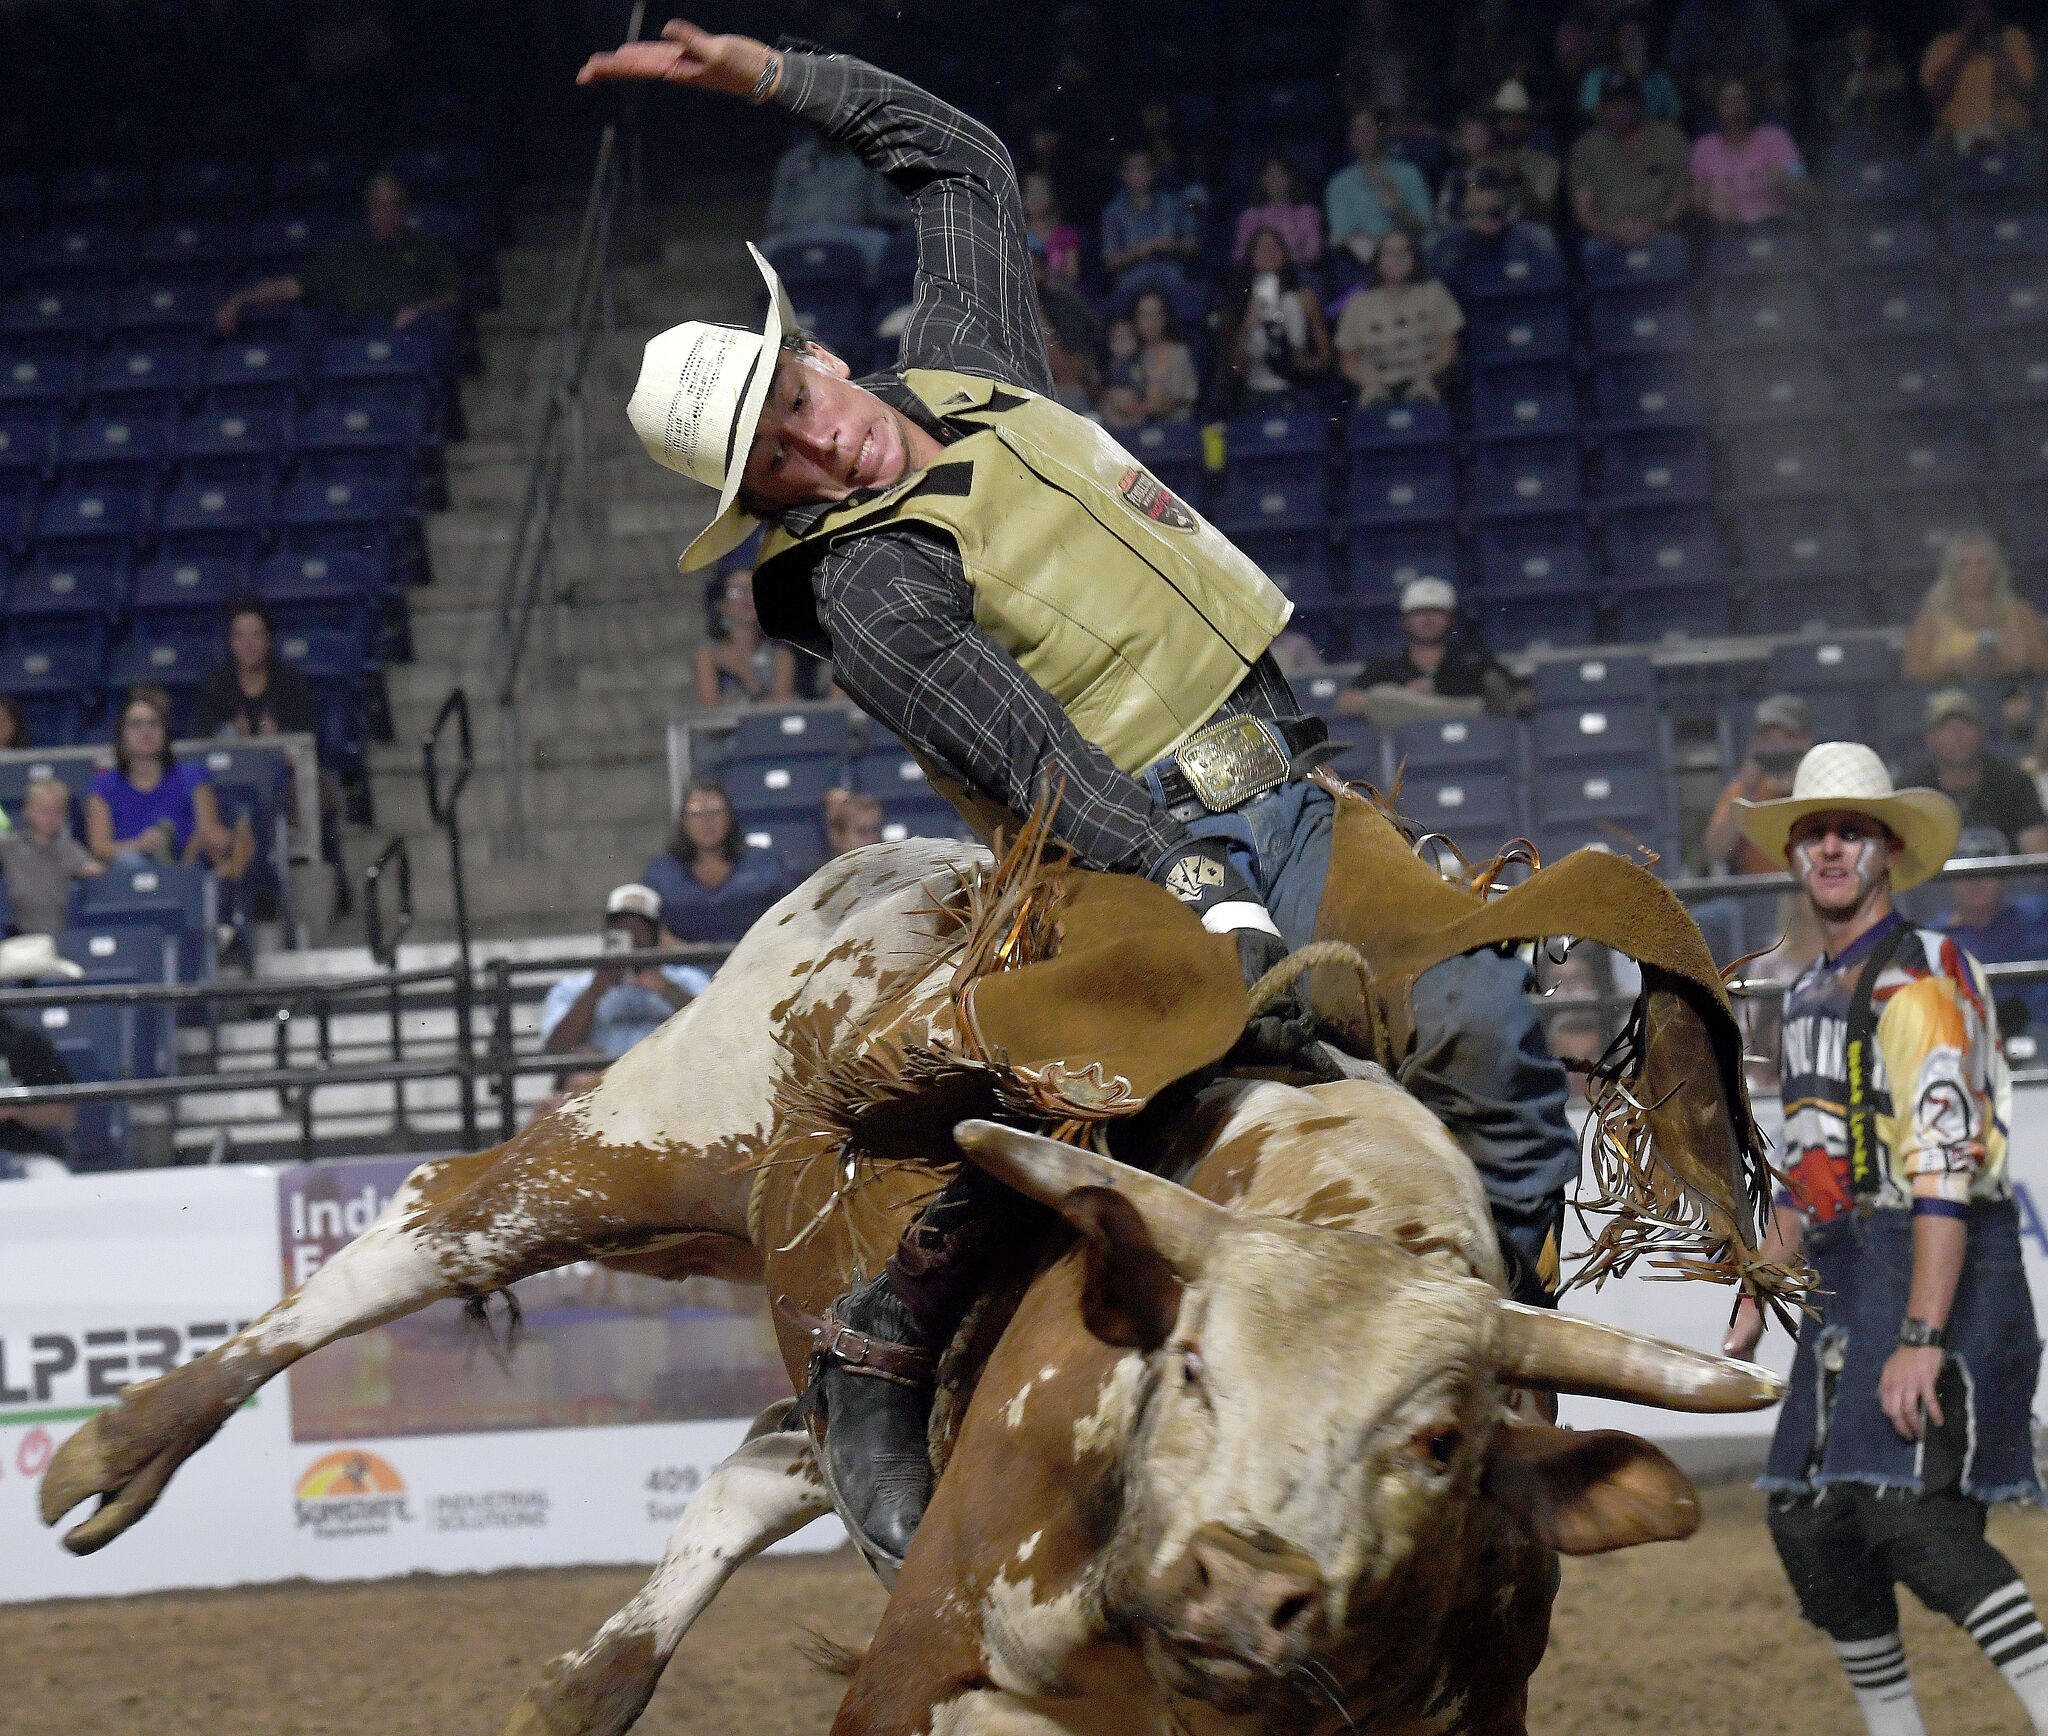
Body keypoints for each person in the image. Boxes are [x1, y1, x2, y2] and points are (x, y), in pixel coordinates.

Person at [584, 20, 1584, 1568]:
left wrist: (775, 80)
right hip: (1119, 852)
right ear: (762, 502)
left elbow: (959, 162)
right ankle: (890, 1327)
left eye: (793, 397)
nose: (814, 442)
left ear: (820, 352)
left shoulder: (976, 378)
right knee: (1172, 1050)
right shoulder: (864, 581)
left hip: (1293, 787)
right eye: (773, 457)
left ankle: (1464, 1368)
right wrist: (1192, 879)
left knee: (1497, 1039)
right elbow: (1032, 758)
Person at [1725, 742, 2048, 1736]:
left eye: (1848, 830)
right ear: (1793, 855)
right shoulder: (1809, 992)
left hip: (1935, 1268)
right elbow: (1807, 1158)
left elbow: (1940, 1175)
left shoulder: (1918, 986)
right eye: (1812, 830)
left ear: (1886, 851)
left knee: (1903, 1512)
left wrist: (1917, 1333)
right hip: (1852, 1269)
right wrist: (1759, 1277)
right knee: (1809, 1520)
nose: (1826, 846)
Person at [191, 597, 346, 914]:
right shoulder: (216, 686)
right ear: (230, 643)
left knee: (317, 788)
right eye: (240, 636)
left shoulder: (291, 684)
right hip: (231, 788)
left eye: (257, 634)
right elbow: (204, 748)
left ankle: (328, 884)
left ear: (269, 640)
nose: (249, 644)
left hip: (286, 783)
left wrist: (276, 746)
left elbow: (307, 745)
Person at [214, 173, 461, 342]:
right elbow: (292, 286)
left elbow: (452, 294)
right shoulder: (346, 249)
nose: (387, 213)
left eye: (394, 205)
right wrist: (239, 300)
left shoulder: (425, 246)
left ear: (404, 210)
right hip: (355, 328)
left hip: (408, 327)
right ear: (369, 211)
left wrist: (418, 309)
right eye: (379, 206)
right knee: (306, 321)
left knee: (439, 325)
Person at [85, 687, 246, 876]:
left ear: (165, 731)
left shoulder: (192, 780)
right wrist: (139, 845)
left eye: (153, 723)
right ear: (122, 734)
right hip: (127, 882)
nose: (145, 731)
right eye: (136, 724)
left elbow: (209, 837)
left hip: (186, 874)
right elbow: (99, 848)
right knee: (129, 861)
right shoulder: (103, 788)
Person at [540, 883, 710, 1060]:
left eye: (640, 929)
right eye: (622, 928)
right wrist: (594, 992)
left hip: (669, 1077)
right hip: (601, 1080)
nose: (632, 936)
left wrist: (669, 991)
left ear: (656, 934)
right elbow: (556, 1048)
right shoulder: (574, 987)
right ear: (608, 932)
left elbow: (715, 1029)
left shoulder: (687, 980)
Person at [1338, 577, 1526, 726]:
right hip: (1407, 747)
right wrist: (1407, 697)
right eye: (1419, 613)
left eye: (1436, 612)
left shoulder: (1472, 657)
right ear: (1404, 621)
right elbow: (1347, 703)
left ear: (1451, 619)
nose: (1427, 619)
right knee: (1381, 696)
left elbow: (1518, 694)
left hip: (1472, 742)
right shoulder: (1386, 663)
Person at [640, 778, 797, 947]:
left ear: (730, 817)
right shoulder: (662, 871)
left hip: (756, 963)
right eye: (696, 814)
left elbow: (791, 916)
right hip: (681, 967)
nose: (707, 822)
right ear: (684, 822)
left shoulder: (764, 863)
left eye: (716, 812)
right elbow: (647, 928)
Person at [1902, 689, 2048, 857]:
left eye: (1965, 723)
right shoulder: (1911, 791)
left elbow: (2038, 859)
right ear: (1930, 738)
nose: (1957, 735)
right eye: (1945, 726)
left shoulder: (2014, 783)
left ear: (1982, 731)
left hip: (2007, 883)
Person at [1938, 825, 2048, 1034]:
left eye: (1986, 869)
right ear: (1949, 879)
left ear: (2005, 873)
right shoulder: (1933, 940)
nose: (1975, 881)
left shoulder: (2039, 915)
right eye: (1965, 872)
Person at [1334, 228, 1463, 406]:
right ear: (1378, 260)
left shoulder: (1435, 293)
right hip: (1377, 386)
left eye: (1404, 252)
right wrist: (1369, 384)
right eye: (1390, 253)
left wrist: (1426, 377)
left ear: (1415, 258)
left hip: (1427, 382)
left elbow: (1448, 349)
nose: (1398, 259)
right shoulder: (1358, 303)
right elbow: (1348, 361)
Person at [1903, 533, 2048, 688]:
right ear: (1952, 571)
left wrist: (2018, 659)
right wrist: (1956, 665)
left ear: (1994, 568)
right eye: (1964, 564)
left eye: (1982, 563)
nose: (1974, 573)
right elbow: (1912, 672)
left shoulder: (2020, 613)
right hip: (1953, 703)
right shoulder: (1932, 619)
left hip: (2015, 699)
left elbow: (2043, 663)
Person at [1216, 227, 1334, 409]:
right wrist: (1248, 326)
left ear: (1284, 254)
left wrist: (1301, 361)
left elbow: (1325, 357)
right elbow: (1235, 370)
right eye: (1261, 249)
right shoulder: (1239, 303)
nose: (1268, 254)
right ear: (1251, 257)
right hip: (1255, 392)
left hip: (1297, 389)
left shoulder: (1304, 298)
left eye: (1274, 247)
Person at [1570, 73, 1691, 246]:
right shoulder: (1586, 148)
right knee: (1594, 249)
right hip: (1608, 237)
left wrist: (1654, 224)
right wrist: (1614, 230)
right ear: (1602, 108)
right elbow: (1584, 209)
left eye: (1627, 100)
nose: (1621, 108)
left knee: (1672, 246)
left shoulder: (1670, 138)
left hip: (1662, 232)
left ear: (1640, 103)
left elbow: (1682, 194)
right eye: (1614, 102)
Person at [1691, 76, 1811, 227]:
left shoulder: (1776, 137)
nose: (1735, 106)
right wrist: (1710, 206)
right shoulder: (1704, 147)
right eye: (1728, 101)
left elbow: (1799, 174)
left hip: (1775, 229)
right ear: (1718, 108)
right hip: (1726, 232)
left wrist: (1787, 177)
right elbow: (1697, 198)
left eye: (1740, 100)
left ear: (1750, 104)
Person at [1922, 0, 2038, 157]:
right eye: (1972, 6)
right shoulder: (1943, 44)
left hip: (2011, 135)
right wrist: (1966, 43)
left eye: (1983, 5)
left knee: (2035, 149)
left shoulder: (2014, 37)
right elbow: (1935, 96)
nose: (1979, 11)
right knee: (1929, 155)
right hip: (1954, 139)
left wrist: (1992, 43)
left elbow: (2026, 91)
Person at [1431, 169, 1559, 304]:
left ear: (1505, 209)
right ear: (1465, 210)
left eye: (1493, 213)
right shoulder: (1448, 250)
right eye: (1475, 214)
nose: (1484, 221)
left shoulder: (1534, 240)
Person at [1324, 106, 1433, 264]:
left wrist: (1398, 209)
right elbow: (1341, 236)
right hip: (1362, 260)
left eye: (1368, 127)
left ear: (1381, 131)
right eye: (1357, 129)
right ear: (1350, 136)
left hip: (1408, 255)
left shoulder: (1408, 173)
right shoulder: (1339, 183)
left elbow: (1425, 226)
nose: (1363, 134)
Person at [0, 776, 103, 937]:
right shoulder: (10, 845)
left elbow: (92, 869)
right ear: (27, 811)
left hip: (59, 929)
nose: (50, 817)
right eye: (44, 811)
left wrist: (92, 869)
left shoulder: (68, 847)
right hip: (19, 932)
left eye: (57, 811)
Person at [1663, 0, 1793, 124]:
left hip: (1756, 90)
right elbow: (1676, 63)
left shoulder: (1762, 9)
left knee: (1777, 94)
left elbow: (1777, 61)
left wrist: (1740, 87)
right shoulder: (1692, 12)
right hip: (1708, 98)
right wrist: (1698, 82)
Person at [1099, 147, 1198, 298]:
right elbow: (1109, 262)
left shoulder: (1173, 203)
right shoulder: (1113, 212)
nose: (1140, 175)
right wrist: (1138, 252)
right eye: (1134, 169)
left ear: (1154, 171)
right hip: (1131, 283)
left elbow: (1194, 247)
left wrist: (1173, 245)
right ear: (1124, 174)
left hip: (1171, 277)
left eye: (1145, 168)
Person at [697, 564, 799, 707]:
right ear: (722, 604)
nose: (747, 600)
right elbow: (711, 709)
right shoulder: (709, 653)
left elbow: (780, 709)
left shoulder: (781, 654)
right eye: (736, 592)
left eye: (752, 590)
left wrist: (745, 673)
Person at [1099, 290, 1197, 429]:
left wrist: (1134, 407)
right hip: (1131, 431)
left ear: (1165, 317)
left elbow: (1170, 401)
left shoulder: (1178, 353)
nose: (1150, 321)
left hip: (1173, 429)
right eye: (1144, 314)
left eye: (1155, 314)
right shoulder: (1130, 354)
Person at [0, 1002, 77, 1175]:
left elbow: (66, 1117)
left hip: (26, 1153)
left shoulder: (23, 1038)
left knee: (51, 1178)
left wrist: (14, 1108)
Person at [1482, 79, 1562, 226]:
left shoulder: (1546, 162)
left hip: (1530, 228)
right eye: (1506, 117)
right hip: (1486, 226)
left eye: (1518, 117)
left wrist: (1518, 180)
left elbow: (1542, 209)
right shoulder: (1487, 157)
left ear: (1529, 121)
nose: (1512, 123)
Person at [1581, 11, 1683, 123]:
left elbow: (1674, 118)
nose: (1632, 40)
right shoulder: (1597, 78)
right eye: (1626, 35)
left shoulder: (1660, 79)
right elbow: (1595, 117)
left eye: (1637, 34)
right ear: (1616, 41)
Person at [1231, 153, 1321, 267]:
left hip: (1297, 272)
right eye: (1270, 175)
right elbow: (1240, 254)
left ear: (1290, 179)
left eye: (1280, 175)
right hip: (1257, 273)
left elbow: (1313, 254)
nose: (1274, 180)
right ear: (1262, 180)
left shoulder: (1307, 213)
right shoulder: (1250, 216)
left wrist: (1280, 258)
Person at [1021, 172, 1080, 289]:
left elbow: (1072, 275)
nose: (1036, 198)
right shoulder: (1017, 237)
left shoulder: (1066, 235)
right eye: (1031, 193)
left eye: (1041, 192)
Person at [823, 787, 885, 857]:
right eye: (862, 831)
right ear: (837, 836)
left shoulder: (895, 866)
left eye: (875, 830)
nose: (872, 839)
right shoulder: (821, 868)